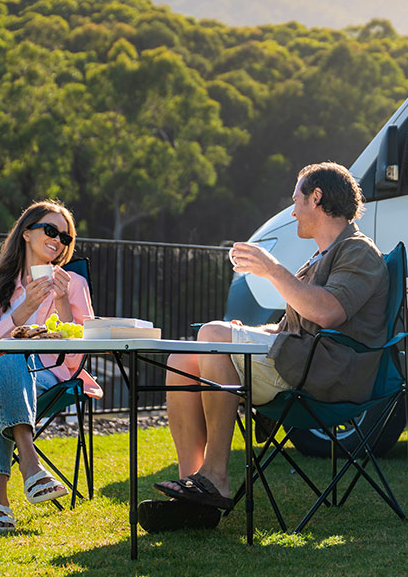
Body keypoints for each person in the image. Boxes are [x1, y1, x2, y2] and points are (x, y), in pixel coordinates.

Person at [144, 162, 388, 528]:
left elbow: (328, 314)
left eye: (297, 200)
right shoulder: (321, 257)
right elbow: (293, 325)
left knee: (211, 335)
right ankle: (192, 489)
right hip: (300, 360)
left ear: (316, 198)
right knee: (184, 356)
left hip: (327, 374)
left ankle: (215, 478)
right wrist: (248, 331)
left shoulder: (358, 252)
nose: (293, 211)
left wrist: (273, 269)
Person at [0, 200, 102, 534]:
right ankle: (30, 464)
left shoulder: (73, 285)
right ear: (27, 233)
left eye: (65, 237)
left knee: (2, 373)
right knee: (4, 357)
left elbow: (78, 356)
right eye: (50, 230)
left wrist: (61, 303)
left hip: (47, 377)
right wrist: (23, 309)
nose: (58, 240)